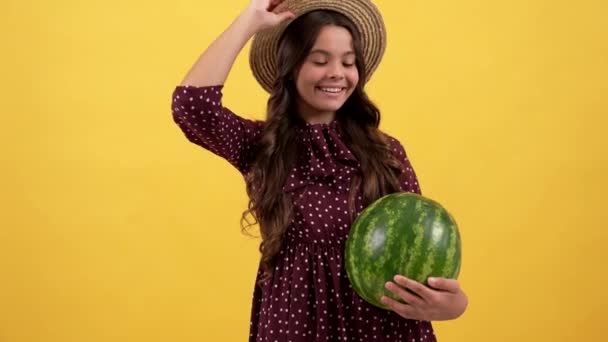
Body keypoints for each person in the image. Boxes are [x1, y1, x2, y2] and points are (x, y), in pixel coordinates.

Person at [171, 0, 468, 340]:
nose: (337, 74)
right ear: (292, 66)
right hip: (298, 328)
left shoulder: (386, 152)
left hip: (383, 329)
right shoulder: (263, 147)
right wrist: (248, 20)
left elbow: (422, 252)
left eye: (349, 62)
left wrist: (454, 304)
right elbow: (190, 105)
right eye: (320, 60)